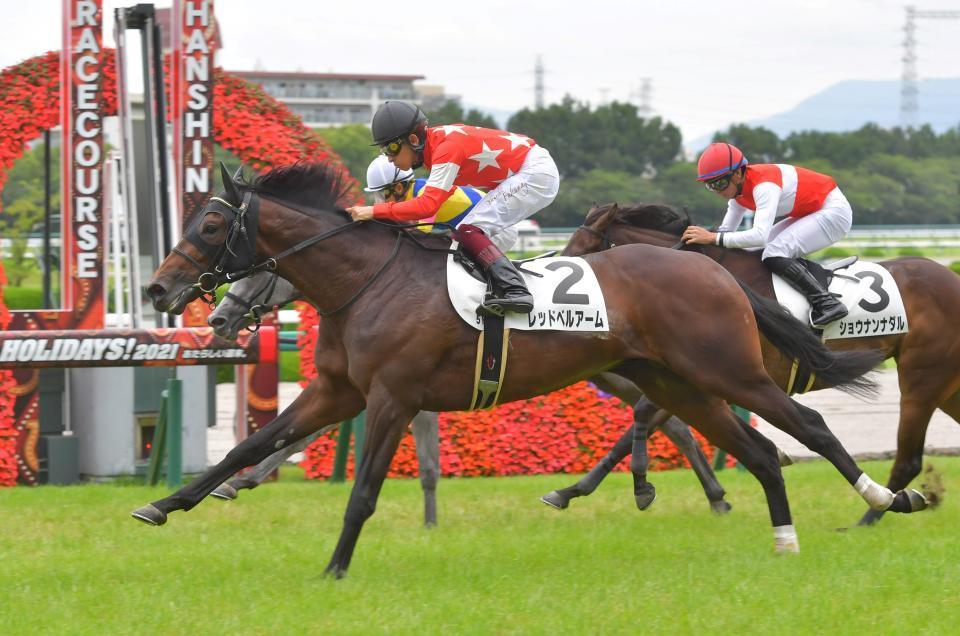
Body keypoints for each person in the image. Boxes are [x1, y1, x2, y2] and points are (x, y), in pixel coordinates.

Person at [346, 100, 560, 315]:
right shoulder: (436, 148)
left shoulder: (445, 149)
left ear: (412, 139)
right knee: (461, 240)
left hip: (535, 173)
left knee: (468, 230)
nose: (390, 158)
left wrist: (373, 211)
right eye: (384, 150)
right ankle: (494, 288)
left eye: (391, 148)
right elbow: (439, 199)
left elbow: (428, 206)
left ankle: (515, 290)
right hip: (530, 169)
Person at [681, 142, 851, 327]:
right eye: (710, 186)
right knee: (753, 250)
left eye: (720, 183)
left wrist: (712, 237)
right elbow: (726, 232)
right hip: (811, 211)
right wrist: (701, 241)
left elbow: (759, 235)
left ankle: (827, 303)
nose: (717, 191)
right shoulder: (737, 194)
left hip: (833, 212)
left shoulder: (764, 186)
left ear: (738, 174)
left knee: (774, 252)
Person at [363, 155, 491, 236]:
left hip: (493, 223)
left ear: (399, 188)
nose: (378, 201)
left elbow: (422, 233)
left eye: (381, 195)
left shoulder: (424, 194)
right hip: (477, 224)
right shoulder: (413, 192)